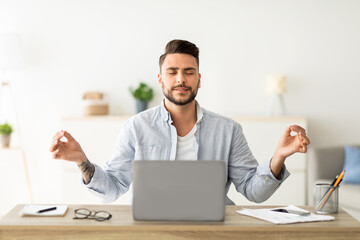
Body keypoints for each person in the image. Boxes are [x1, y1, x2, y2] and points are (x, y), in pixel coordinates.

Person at [50, 39, 310, 204]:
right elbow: (112, 190)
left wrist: (278, 157)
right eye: (172, 72)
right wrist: (81, 161)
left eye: (189, 72)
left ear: (199, 79)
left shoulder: (228, 130)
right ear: (161, 79)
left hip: (215, 231)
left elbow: (253, 193)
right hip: (150, 231)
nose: (180, 80)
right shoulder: (136, 127)